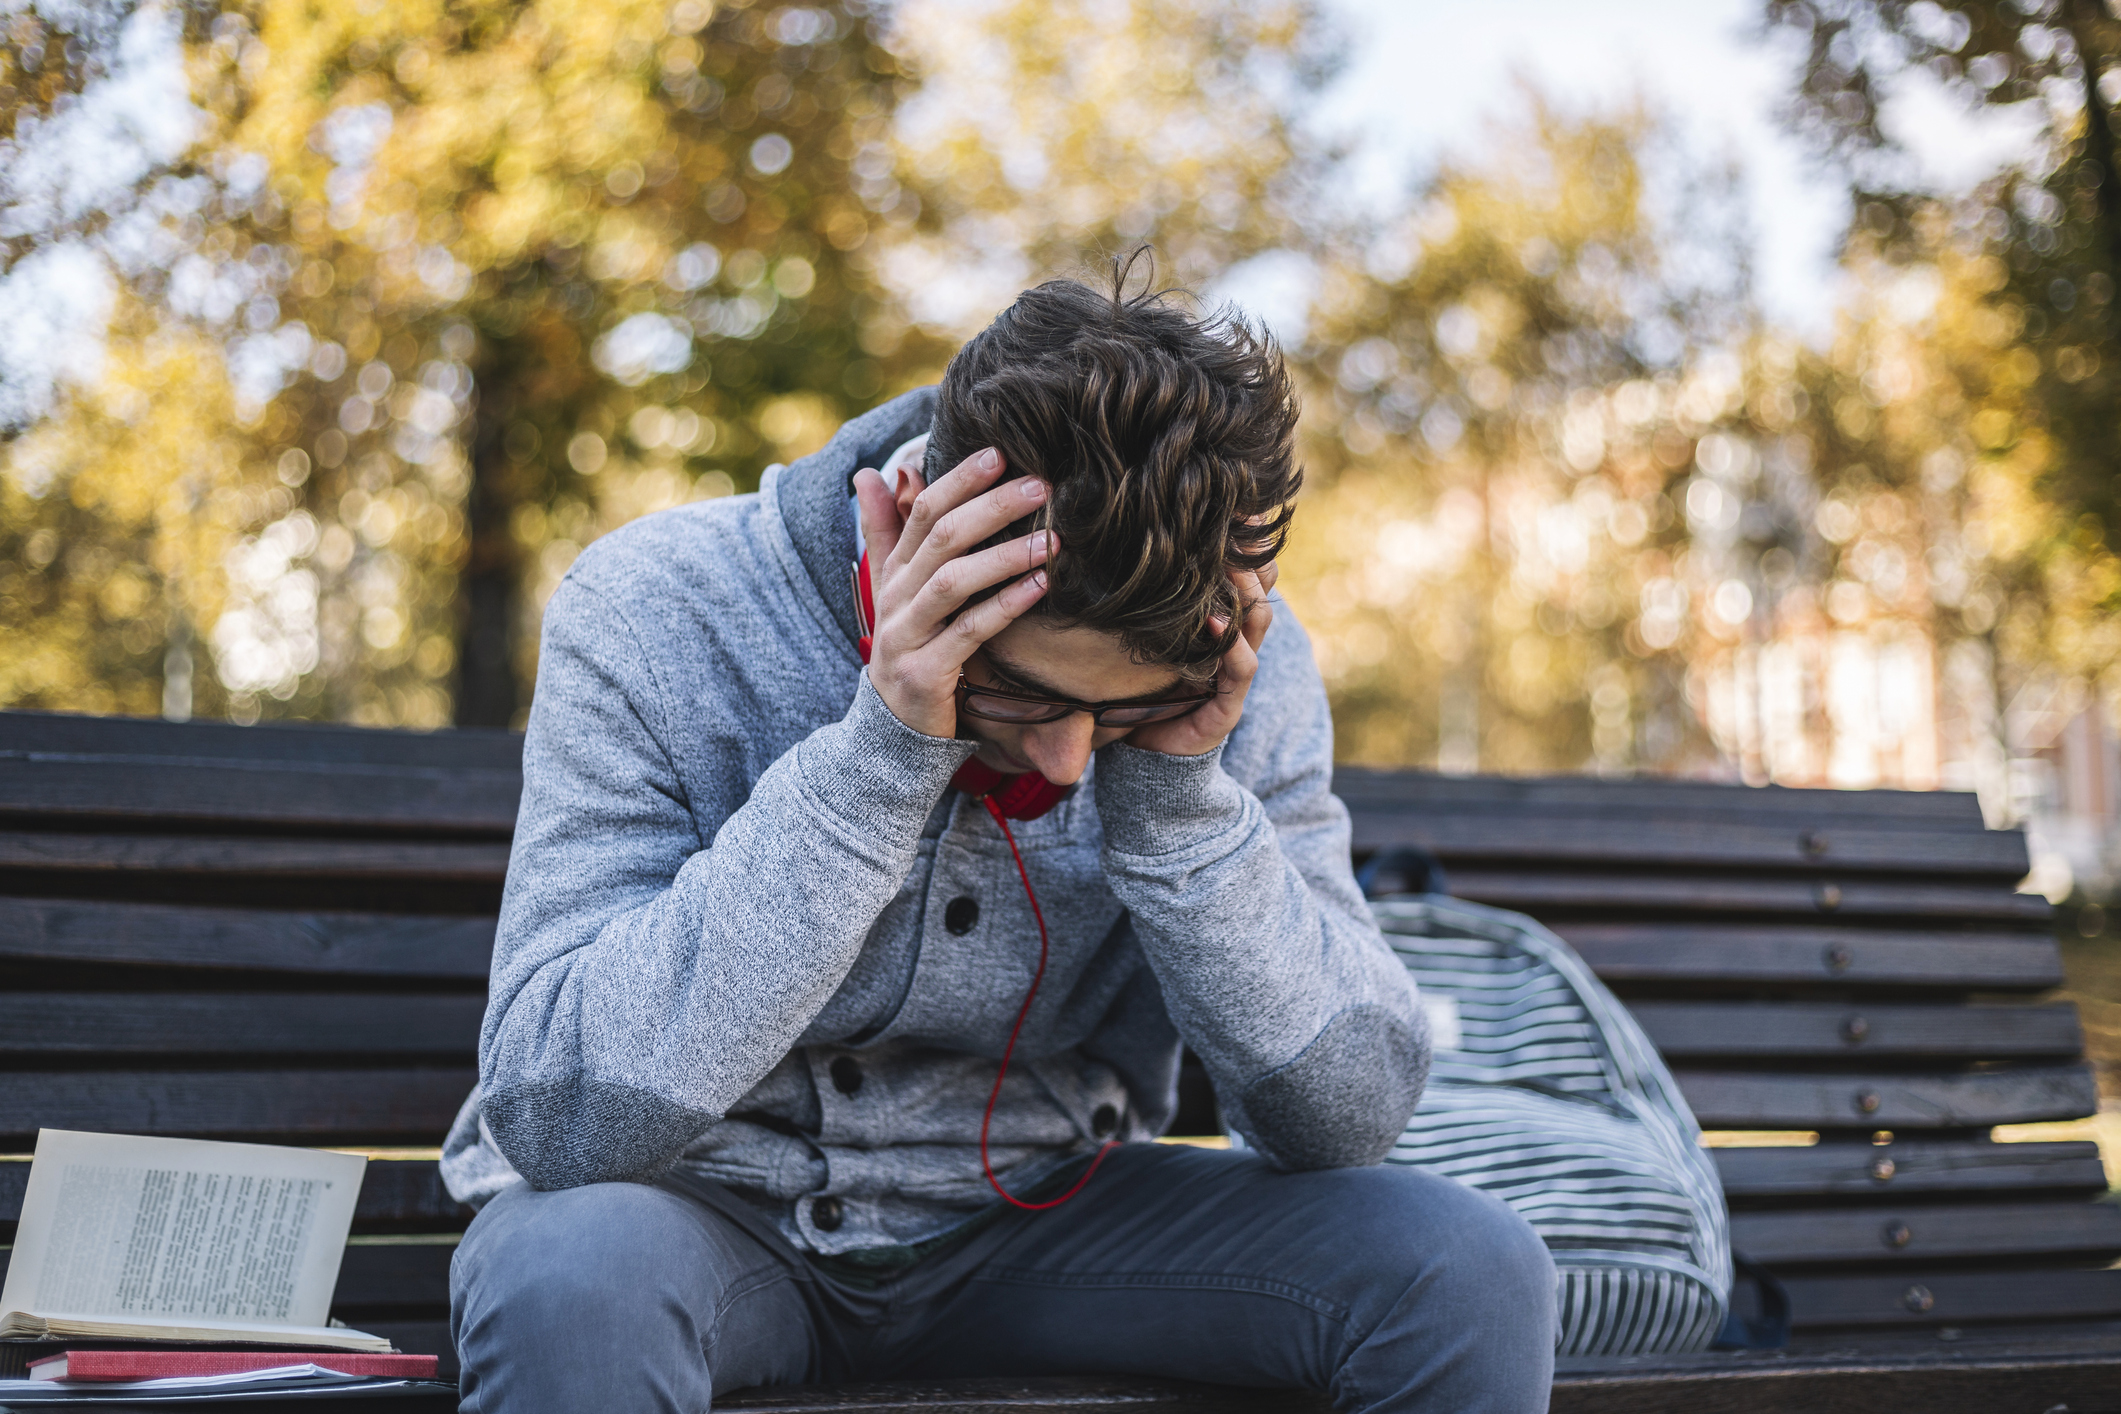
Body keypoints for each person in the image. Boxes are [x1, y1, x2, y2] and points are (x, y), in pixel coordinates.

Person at [441, 263, 1558, 1413]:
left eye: (1122, 717)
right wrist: (883, 753)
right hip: (696, 1216)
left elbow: (1351, 1114)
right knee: (571, 1281)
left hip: (1050, 1219)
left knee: (1464, 1270)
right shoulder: (658, 607)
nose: (1070, 764)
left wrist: (1177, 798)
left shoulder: (1240, 663)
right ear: (907, 524)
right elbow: (559, 1114)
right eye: (1021, 695)